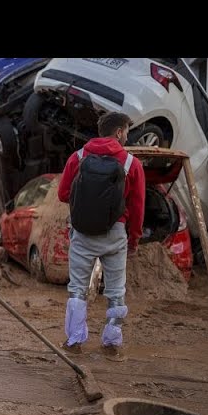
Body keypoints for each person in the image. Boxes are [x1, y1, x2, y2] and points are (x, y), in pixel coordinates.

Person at [57, 112, 145, 360]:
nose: (127, 135)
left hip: (82, 231)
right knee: (116, 290)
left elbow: (63, 194)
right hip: (115, 233)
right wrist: (134, 238)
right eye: (126, 130)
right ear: (118, 132)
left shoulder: (78, 157)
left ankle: (74, 341)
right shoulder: (131, 163)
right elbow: (138, 207)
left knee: (77, 289)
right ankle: (112, 343)